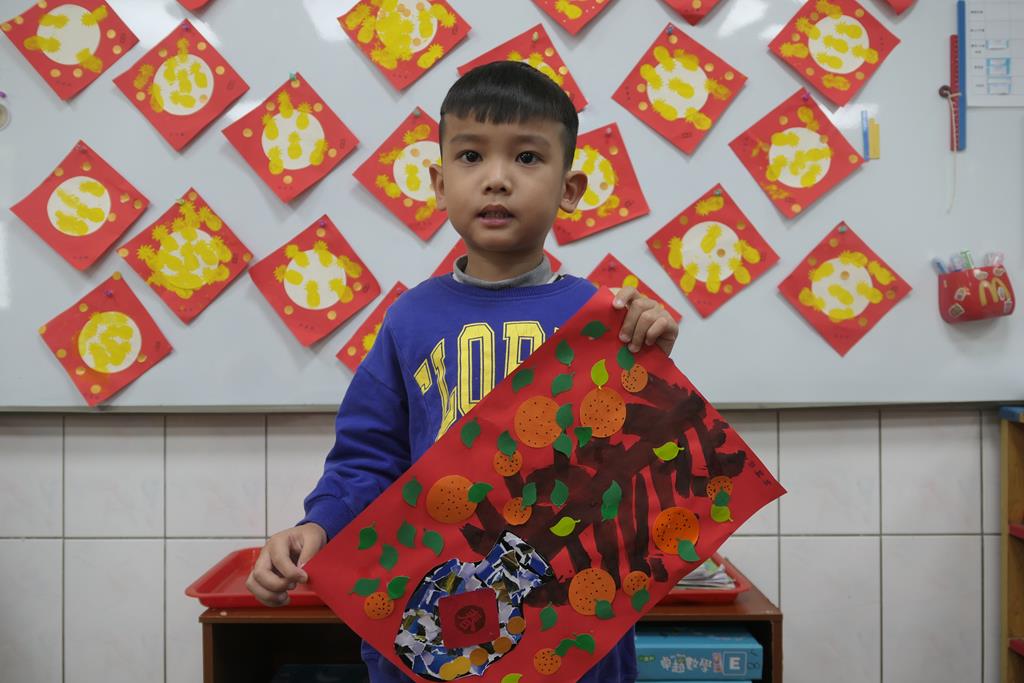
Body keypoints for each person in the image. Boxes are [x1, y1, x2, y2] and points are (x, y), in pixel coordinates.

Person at [247, 60, 679, 682]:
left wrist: (652, 354)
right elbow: (368, 459)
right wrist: (319, 524)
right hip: (438, 612)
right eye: (471, 156)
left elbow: (642, 459)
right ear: (439, 182)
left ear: (570, 189)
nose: (496, 179)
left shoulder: (603, 318)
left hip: (571, 625)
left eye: (527, 158)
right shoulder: (409, 320)